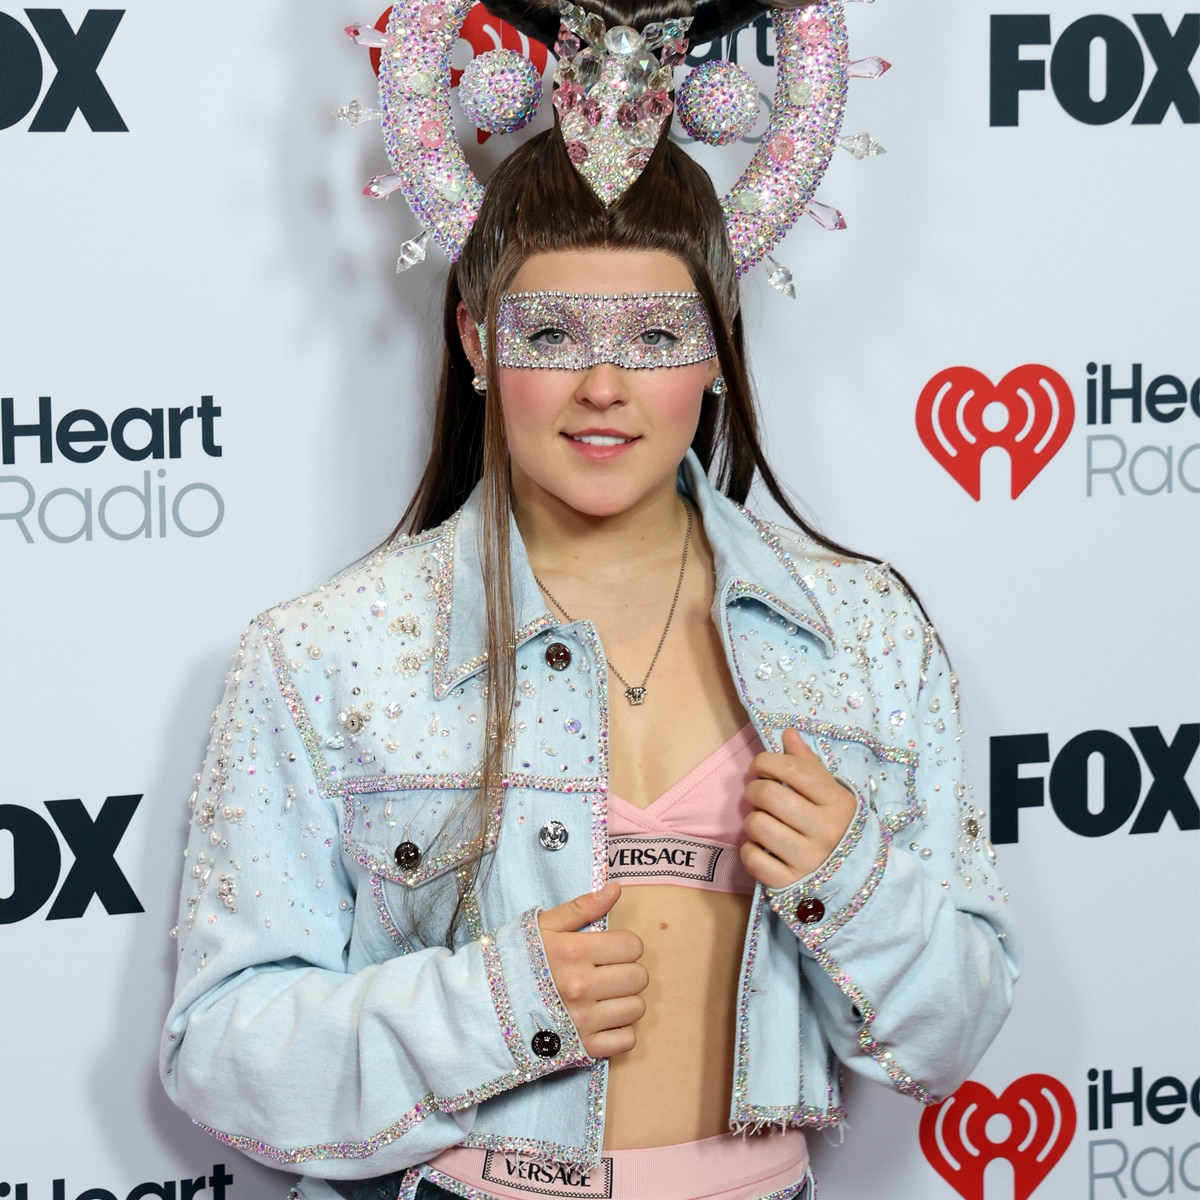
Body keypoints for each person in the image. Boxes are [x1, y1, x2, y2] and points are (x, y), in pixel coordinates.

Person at [160, 1, 1019, 1197]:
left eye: (660, 334)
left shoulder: (866, 637)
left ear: (721, 348)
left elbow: (953, 1032)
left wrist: (852, 880)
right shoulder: (327, 655)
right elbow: (220, 1053)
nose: (605, 388)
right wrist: (491, 1007)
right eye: (554, 330)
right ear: (475, 338)